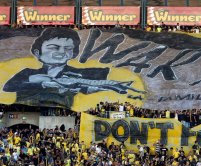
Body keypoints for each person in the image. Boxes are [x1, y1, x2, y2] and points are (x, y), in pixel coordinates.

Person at [3, 28, 140, 108]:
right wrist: (38, 80)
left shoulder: (78, 74)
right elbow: (8, 87)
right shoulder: (28, 73)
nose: (61, 52)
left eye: (67, 48)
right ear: (37, 53)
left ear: (73, 53)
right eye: (54, 47)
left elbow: (92, 85)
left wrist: (113, 87)